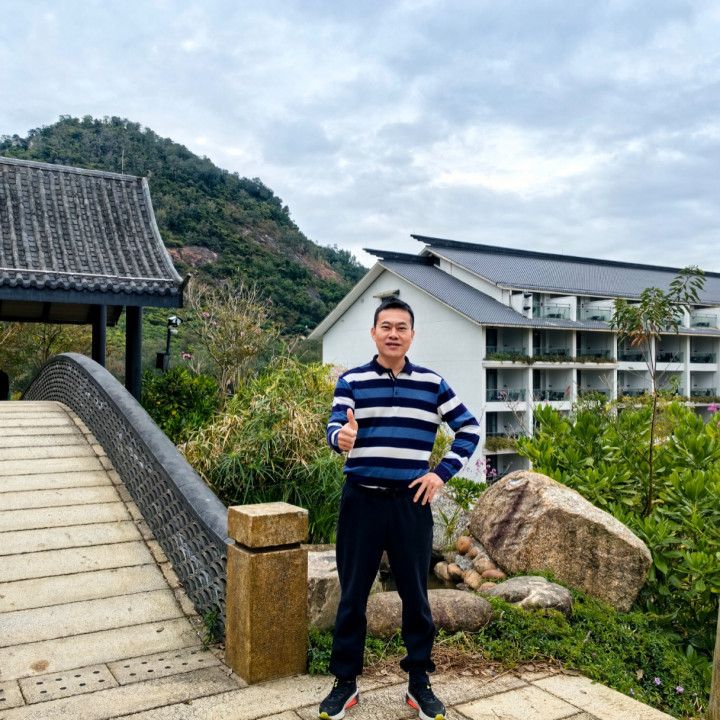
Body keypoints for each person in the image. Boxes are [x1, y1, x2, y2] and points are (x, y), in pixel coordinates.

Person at [318, 297, 480, 720]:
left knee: (416, 596)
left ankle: (419, 682)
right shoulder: (352, 380)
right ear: (373, 333)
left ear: (411, 334)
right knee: (353, 594)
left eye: (401, 327)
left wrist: (440, 474)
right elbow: (335, 426)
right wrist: (341, 438)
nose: (393, 333)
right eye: (386, 326)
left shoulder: (432, 383)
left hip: (412, 502)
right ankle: (345, 683)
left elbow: (469, 428)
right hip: (361, 499)